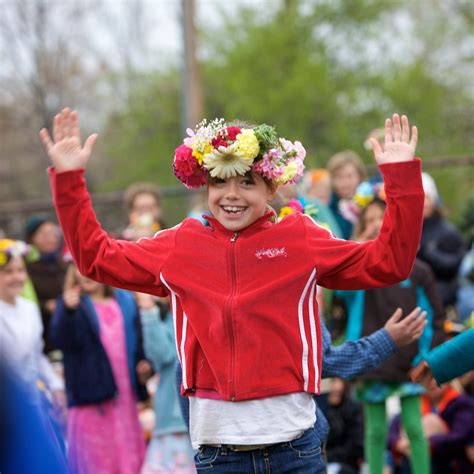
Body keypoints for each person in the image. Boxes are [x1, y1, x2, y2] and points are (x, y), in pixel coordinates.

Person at [41, 109, 423, 473]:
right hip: (219, 453)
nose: (231, 194)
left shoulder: (301, 237)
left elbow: (389, 262)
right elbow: (94, 258)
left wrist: (401, 177)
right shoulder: (181, 245)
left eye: (247, 181)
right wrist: (70, 178)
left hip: (296, 448)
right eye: (220, 181)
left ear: (271, 186)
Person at [334, 195, 445, 474]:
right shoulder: (359, 269)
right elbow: (343, 295)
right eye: (368, 220)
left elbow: (434, 316)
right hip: (373, 361)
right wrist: (358, 248)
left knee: (414, 427)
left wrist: (429, 355)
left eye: (379, 218)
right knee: (375, 430)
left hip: (410, 361)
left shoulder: (417, 270)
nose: (374, 225)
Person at [49, 263, 149, 474]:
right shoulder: (73, 304)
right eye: (79, 267)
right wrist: (67, 311)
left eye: (89, 265)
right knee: (96, 461)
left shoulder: (124, 302)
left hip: (124, 398)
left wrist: (144, 366)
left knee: (127, 458)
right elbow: (61, 339)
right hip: (90, 400)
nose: (84, 272)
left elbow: (139, 343)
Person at [0, 239, 65, 406]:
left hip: (31, 399)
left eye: (21, 270)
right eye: (8, 272)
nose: (17, 277)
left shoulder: (29, 308)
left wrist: (55, 385)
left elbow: (36, 355)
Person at [137, 292, 195, 474]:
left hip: (183, 421)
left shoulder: (187, 315)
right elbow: (162, 355)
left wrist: (148, 311)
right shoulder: (169, 316)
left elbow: (164, 354)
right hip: (172, 423)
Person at [417, 172, 466, 309]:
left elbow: (455, 265)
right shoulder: (409, 231)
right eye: (419, 198)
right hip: (414, 301)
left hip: (443, 302)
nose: (423, 203)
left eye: (426, 197)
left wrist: (429, 252)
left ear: (434, 200)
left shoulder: (448, 232)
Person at [24, 214, 67, 355]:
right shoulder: (26, 269)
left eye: (53, 233)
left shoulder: (63, 263)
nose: (51, 238)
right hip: (44, 335)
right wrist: (45, 306)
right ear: (32, 238)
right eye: (44, 234)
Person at [327, 150, 366, 239]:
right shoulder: (329, 209)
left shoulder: (371, 203)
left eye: (350, 176)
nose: (345, 183)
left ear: (360, 177)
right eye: (339, 177)